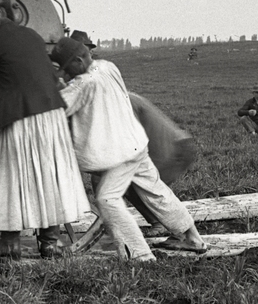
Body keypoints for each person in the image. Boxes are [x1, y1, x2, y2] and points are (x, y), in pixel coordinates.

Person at [0, 0, 89, 261]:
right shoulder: (31, 36)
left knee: (15, 177)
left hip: (21, 117)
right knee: (50, 175)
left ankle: (9, 244)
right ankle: (50, 243)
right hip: (51, 117)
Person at [54, 37, 208, 262]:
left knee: (107, 199)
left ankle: (140, 255)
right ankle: (192, 238)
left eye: (68, 68)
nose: (67, 73)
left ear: (78, 60)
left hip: (118, 154)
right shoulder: (108, 66)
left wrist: (54, 83)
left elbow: (56, 108)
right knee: (156, 191)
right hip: (135, 144)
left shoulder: (84, 84)